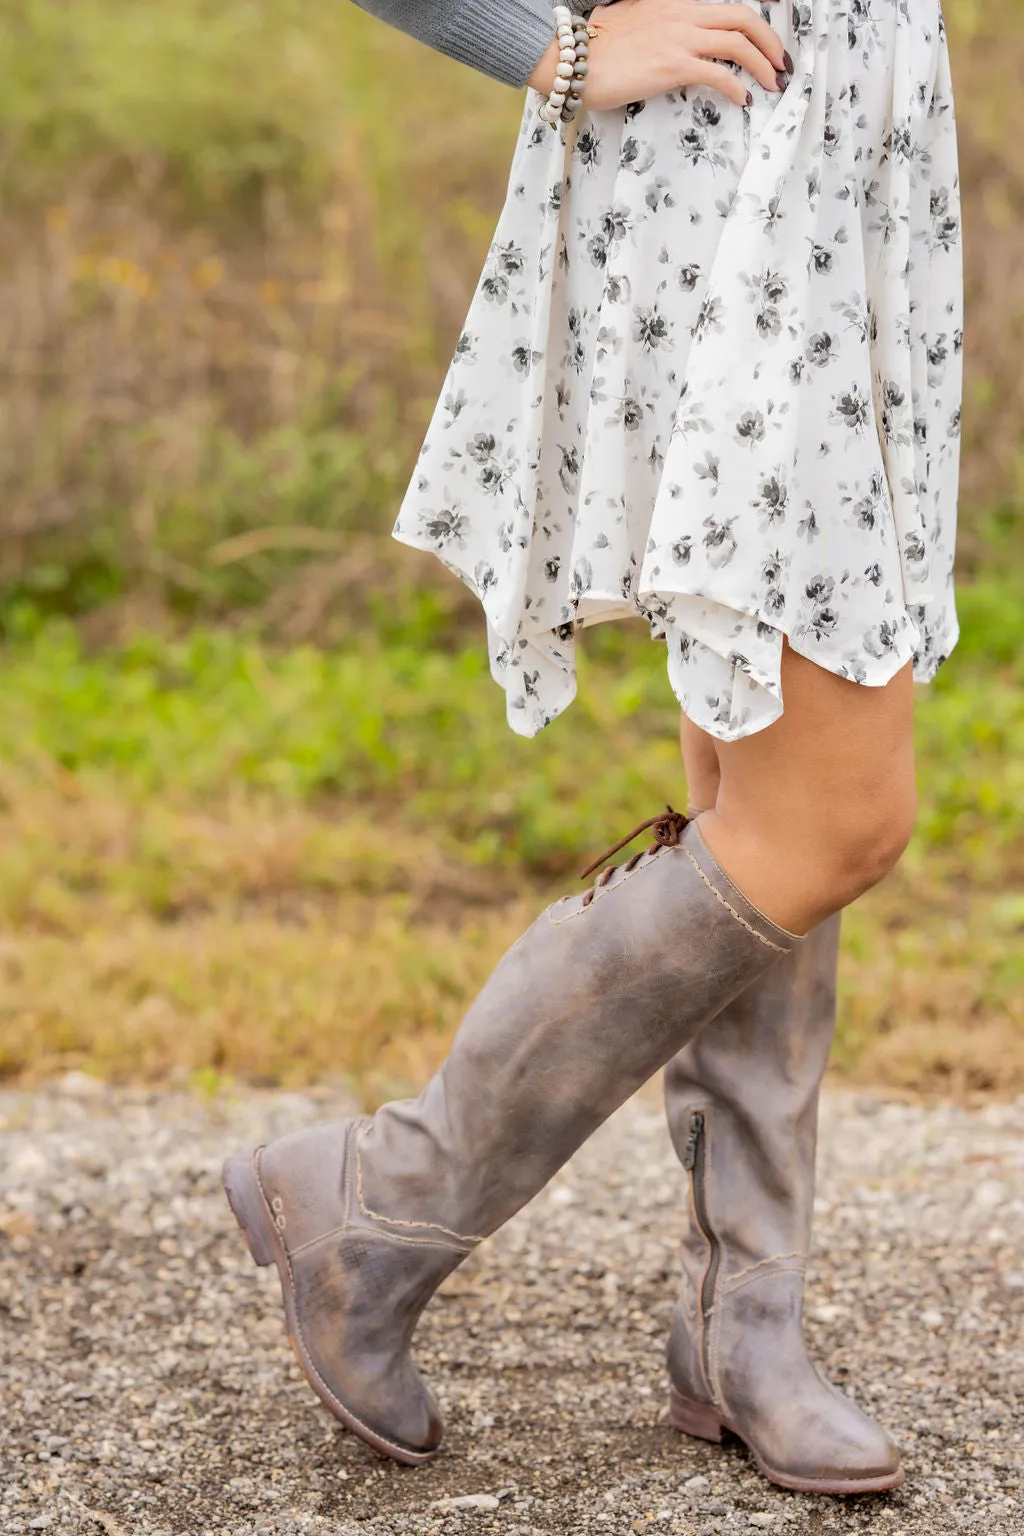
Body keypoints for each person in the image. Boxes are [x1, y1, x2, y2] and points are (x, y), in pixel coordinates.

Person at [223, 0, 962, 1497]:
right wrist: (536, 41)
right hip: (731, 165)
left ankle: (739, 1327)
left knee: (759, 773)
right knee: (834, 824)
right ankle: (380, 1199)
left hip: (855, 163)